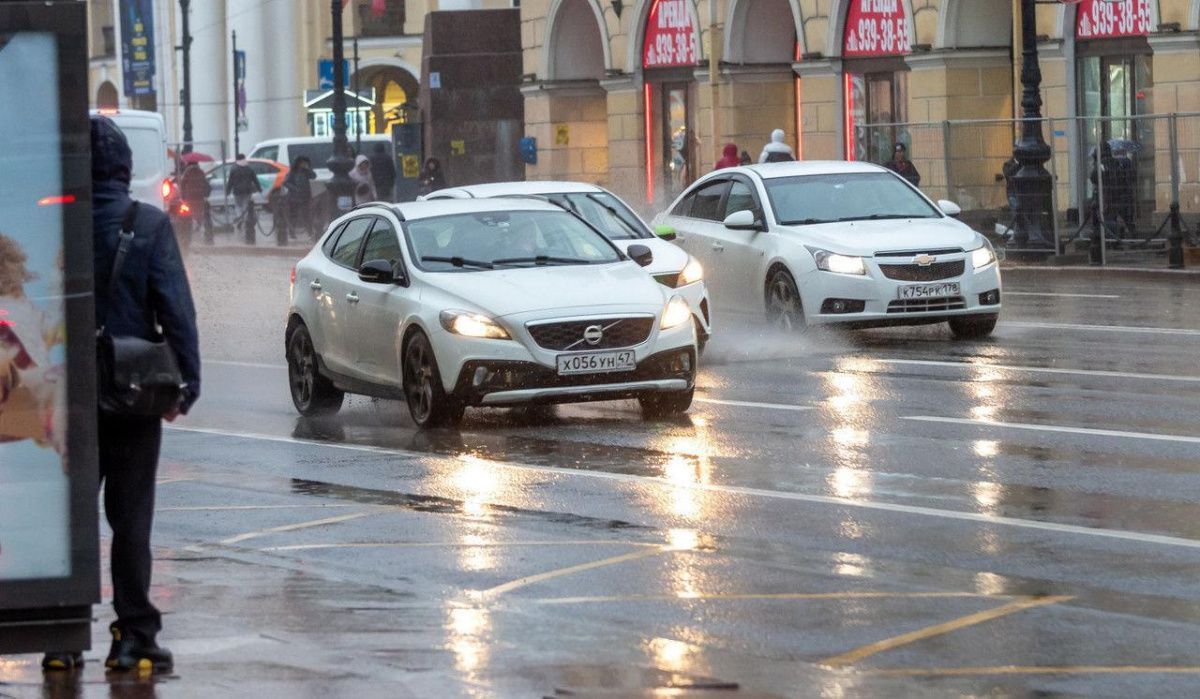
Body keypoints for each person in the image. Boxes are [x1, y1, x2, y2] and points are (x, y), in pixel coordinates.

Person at [41, 116, 201, 675]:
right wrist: (187, 384)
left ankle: (61, 638)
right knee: (131, 523)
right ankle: (133, 635)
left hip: (65, 399)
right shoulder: (149, 224)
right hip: (133, 398)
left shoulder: (52, 224)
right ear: (124, 167)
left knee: (72, 518)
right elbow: (176, 311)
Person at [226, 154, 261, 245]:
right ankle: (245, 220)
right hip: (247, 190)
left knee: (238, 205)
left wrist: (228, 191)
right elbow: (255, 179)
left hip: (237, 191)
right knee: (246, 205)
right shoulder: (249, 168)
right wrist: (259, 189)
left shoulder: (234, 169)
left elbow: (230, 181)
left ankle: (240, 218)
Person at [282, 156, 317, 244]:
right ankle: (292, 232)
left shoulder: (306, 172)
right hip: (294, 198)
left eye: (304, 163)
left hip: (305, 197)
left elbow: (313, 176)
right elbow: (286, 182)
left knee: (307, 216)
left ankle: (310, 232)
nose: (303, 164)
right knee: (294, 216)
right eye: (302, 163)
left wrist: (308, 169)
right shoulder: (293, 172)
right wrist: (295, 188)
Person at [178, 161, 211, 245]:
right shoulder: (201, 172)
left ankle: (193, 230)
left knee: (190, 214)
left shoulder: (187, 172)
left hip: (190, 196)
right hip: (199, 195)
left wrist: (182, 196)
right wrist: (206, 193)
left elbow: (182, 184)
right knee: (200, 212)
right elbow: (205, 184)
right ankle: (199, 228)